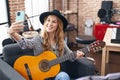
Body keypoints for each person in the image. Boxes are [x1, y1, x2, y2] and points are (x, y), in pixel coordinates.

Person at [8, 9, 85, 80]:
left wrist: (77, 55)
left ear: (58, 25)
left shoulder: (61, 42)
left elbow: (70, 56)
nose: (49, 24)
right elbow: (25, 44)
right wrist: (13, 33)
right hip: (39, 74)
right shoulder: (39, 38)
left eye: (54, 22)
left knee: (64, 76)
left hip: (54, 73)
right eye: (48, 20)